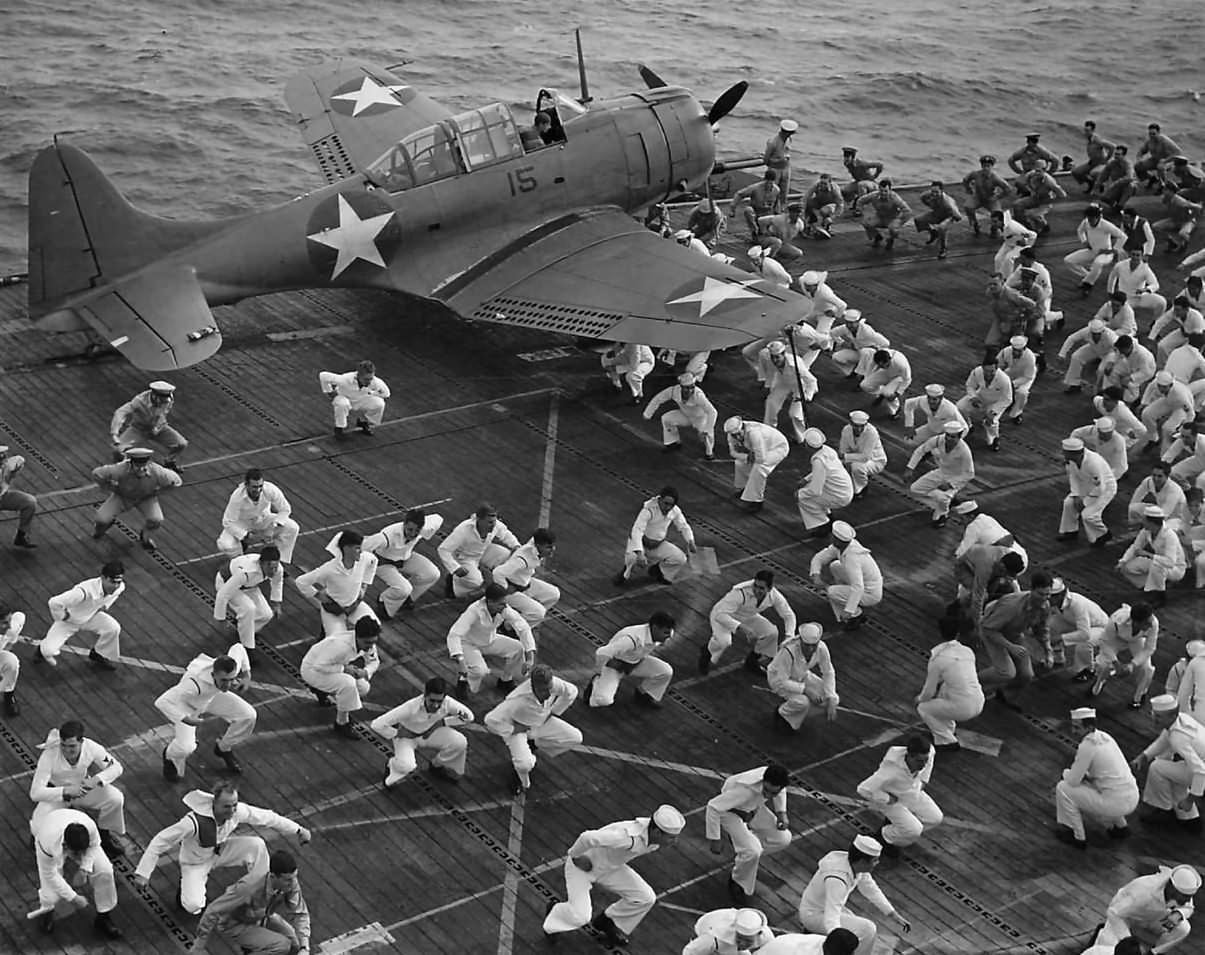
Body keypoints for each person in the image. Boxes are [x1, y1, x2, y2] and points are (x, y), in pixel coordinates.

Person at [134, 780, 310, 915]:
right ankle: (185, 888)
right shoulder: (193, 823)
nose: (232, 810)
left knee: (257, 845)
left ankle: (257, 891)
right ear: (214, 804)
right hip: (195, 863)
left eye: (234, 804)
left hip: (221, 851)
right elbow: (160, 840)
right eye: (227, 806)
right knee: (194, 906)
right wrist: (143, 873)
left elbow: (268, 817)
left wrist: (298, 829)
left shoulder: (237, 811)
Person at [543, 804, 685, 947]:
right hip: (582, 868)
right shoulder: (626, 837)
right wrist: (576, 856)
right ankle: (555, 913)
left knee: (646, 898)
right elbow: (587, 837)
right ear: (657, 832)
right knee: (581, 917)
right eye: (671, 838)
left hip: (609, 868)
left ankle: (607, 922)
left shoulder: (651, 836)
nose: (675, 841)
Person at [797, 835, 910, 955]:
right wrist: (837, 943)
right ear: (862, 861)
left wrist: (893, 914)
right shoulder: (837, 880)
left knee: (857, 926)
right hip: (814, 915)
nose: (878, 863)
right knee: (867, 930)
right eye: (875, 860)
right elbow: (832, 915)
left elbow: (870, 889)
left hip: (824, 909)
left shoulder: (853, 865)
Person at [30, 720, 128, 859]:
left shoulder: (91, 747)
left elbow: (116, 767)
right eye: (63, 746)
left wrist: (95, 780)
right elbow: (35, 793)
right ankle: (37, 840)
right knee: (39, 825)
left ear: (81, 742)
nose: (66, 750)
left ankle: (104, 836)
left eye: (72, 746)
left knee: (115, 798)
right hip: (57, 794)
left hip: (83, 789)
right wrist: (66, 791)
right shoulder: (49, 755)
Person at [156, 645, 256, 778]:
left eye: (232, 679)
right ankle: (170, 755)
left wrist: (247, 675)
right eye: (224, 681)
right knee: (186, 747)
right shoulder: (192, 685)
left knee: (248, 716)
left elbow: (238, 648)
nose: (228, 685)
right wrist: (185, 719)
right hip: (187, 706)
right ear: (213, 674)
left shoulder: (232, 666)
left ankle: (223, 748)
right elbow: (162, 701)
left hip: (211, 697)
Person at [484, 663, 582, 794]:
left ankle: (534, 744)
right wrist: (512, 730)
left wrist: (554, 712)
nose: (548, 694)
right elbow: (490, 719)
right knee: (524, 764)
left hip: (541, 723)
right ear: (533, 686)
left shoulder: (554, 684)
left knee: (575, 737)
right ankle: (522, 779)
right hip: (519, 729)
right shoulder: (517, 701)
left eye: (550, 688)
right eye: (543, 690)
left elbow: (572, 691)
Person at [190, 849, 310, 955]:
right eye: (288, 880)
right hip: (234, 924)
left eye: (295, 877)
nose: (293, 883)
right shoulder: (248, 887)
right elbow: (213, 910)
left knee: (297, 944)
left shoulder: (290, 884)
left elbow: (299, 913)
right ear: (273, 877)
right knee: (281, 945)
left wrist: (305, 947)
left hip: (261, 916)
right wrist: (199, 945)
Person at [1053, 706, 1139, 848]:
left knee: (1063, 788)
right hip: (1132, 796)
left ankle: (1078, 837)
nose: (1073, 731)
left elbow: (1073, 781)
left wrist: (1065, 773)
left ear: (1089, 727)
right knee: (1106, 785)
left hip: (1115, 804)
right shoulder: (1106, 738)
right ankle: (1121, 827)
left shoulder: (1088, 746)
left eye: (1077, 727)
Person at [706, 764, 792, 905]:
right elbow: (713, 807)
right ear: (763, 781)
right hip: (729, 812)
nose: (768, 796)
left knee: (783, 838)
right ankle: (738, 882)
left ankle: (744, 855)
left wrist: (782, 813)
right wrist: (714, 838)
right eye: (766, 790)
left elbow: (781, 791)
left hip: (753, 808)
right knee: (753, 851)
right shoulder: (745, 791)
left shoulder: (772, 779)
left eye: (773, 793)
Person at [32, 807, 122, 939]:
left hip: (75, 838)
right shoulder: (46, 841)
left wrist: (84, 869)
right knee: (51, 892)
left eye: (81, 852)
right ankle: (47, 910)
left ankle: (104, 917)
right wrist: (74, 898)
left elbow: (94, 845)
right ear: (66, 846)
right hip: (50, 835)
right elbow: (50, 874)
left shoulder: (89, 825)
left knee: (105, 871)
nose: (79, 856)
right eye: (77, 854)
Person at [370, 675, 475, 787]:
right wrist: (397, 733)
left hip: (429, 733)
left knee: (459, 742)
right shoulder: (409, 707)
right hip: (407, 737)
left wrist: (442, 723)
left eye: (439, 701)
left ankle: (437, 766)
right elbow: (377, 724)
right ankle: (392, 765)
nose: (436, 705)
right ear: (425, 695)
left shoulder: (448, 703)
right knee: (407, 766)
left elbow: (468, 717)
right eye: (432, 700)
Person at [977, 575, 1053, 710]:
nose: (1044, 599)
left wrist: (1048, 652)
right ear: (1031, 590)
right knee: (1006, 672)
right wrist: (1010, 647)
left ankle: (1005, 693)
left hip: (1014, 634)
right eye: (1041, 594)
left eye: (1047, 595)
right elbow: (988, 628)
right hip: (993, 632)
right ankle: (970, 681)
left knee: (1026, 675)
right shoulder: (1011, 606)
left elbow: (1041, 629)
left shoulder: (1044, 606)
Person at [446, 583, 534, 698]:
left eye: (505, 603)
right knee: (480, 671)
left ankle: (505, 680)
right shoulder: (473, 611)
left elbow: (523, 628)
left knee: (518, 648)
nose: (504, 606)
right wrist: (461, 661)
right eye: (500, 603)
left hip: (489, 640)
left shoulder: (504, 609)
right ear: (490, 602)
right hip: (468, 644)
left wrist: (529, 658)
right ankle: (463, 679)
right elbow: (454, 634)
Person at [857, 737, 942, 856]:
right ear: (910, 756)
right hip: (893, 800)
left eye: (925, 760)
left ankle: (898, 831)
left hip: (913, 792)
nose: (923, 765)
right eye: (919, 761)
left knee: (935, 818)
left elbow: (931, 755)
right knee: (913, 830)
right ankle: (883, 837)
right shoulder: (890, 771)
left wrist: (923, 780)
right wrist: (886, 798)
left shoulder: (928, 753)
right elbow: (864, 789)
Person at [298, 617, 382, 737]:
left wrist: (365, 672)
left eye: (373, 642)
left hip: (331, 666)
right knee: (347, 684)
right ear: (357, 636)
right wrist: (344, 669)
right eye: (367, 643)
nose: (370, 647)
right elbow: (318, 665)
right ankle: (342, 723)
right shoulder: (340, 645)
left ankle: (321, 690)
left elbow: (374, 662)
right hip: (311, 670)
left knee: (363, 688)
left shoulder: (367, 643)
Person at [702, 570, 797, 675]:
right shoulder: (739, 593)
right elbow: (720, 615)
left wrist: (789, 636)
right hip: (724, 615)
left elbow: (789, 615)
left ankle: (752, 661)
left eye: (761, 588)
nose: (756, 590)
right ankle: (707, 651)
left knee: (771, 633)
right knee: (724, 642)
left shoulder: (775, 596)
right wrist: (742, 628)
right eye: (755, 586)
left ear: (770, 589)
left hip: (746, 616)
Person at [1092, 861, 1199, 954]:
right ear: (1172, 888)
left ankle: (1155, 952)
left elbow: (1189, 907)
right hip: (1125, 918)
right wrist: (1128, 940)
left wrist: (1179, 913)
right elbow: (1113, 912)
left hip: (1152, 920)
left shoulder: (1182, 893)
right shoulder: (1143, 891)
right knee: (1109, 947)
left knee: (1183, 928)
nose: (1187, 901)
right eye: (1185, 897)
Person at [1132, 694, 1205, 828]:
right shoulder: (1182, 719)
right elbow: (1165, 738)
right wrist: (1144, 755)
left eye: (1158, 716)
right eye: (1154, 714)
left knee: (1157, 767)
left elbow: (1201, 771)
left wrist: (1190, 800)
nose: (1154, 719)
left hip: (1202, 772)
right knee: (1173, 774)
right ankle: (1189, 819)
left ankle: (1164, 809)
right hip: (1198, 767)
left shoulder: (1179, 738)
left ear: (1171, 716)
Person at [36, 561, 125, 669]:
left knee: (113, 628)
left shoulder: (120, 588)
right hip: (69, 622)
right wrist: (63, 616)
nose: (115, 586)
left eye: (118, 582)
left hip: (90, 617)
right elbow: (54, 602)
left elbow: (112, 597)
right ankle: (41, 650)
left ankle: (99, 653)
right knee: (48, 651)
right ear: (103, 577)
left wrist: (103, 607)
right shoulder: (83, 592)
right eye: (112, 582)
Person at [90, 446, 182, 550]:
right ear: (131, 462)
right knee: (101, 519)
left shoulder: (157, 471)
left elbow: (176, 481)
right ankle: (100, 531)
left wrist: (158, 492)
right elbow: (97, 473)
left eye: (143, 464)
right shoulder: (120, 469)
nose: (140, 468)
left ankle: (145, 537)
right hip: (123, 497)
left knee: (156, 519)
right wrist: (111, 488)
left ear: (148, 462)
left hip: (145, 498)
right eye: (137, 465)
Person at [916, 616, 984, 750]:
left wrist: (918, 699)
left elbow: (928, 693)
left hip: (963, 709)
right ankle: (948, 727)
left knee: (923, 708)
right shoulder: (967, 651)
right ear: (958, 633)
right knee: (946, 686)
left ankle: (946, 740)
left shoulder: (937, 659)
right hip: (979, 701)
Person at [295, 530, 379, 636]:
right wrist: (317, 595)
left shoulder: (364, 558)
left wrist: (364, 585)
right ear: (346, 548)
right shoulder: (329, 568)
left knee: (375, 626)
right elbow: (301, 581)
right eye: (357, 548)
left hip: (355, 605)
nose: (361, 551)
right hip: (334, 611)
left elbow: (374, 561)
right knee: (336, 639)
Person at [362, 507, 444, 617]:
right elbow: (364, 548)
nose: (413, 534)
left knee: (433, 574)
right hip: (383, 563)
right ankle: (384, 602)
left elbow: (438, 518)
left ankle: (406, 600)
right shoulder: (387, 535)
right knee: (404, 588)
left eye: (417, 531)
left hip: (405, 558)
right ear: (404, 524)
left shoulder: (426, 526)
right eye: (410, 529)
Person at [588, 611, 676, 709]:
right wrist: (606, 666)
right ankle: (595, 682)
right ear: (655, 628)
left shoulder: (663, 633)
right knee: (604, 700)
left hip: (636, 662)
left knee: (665, 671)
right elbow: (602, 652)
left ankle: (644, 694)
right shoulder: (631, 639)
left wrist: (632, 664)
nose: (668, 636)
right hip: (615, 666)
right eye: (665, 633)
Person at [216, 468, 299, 566]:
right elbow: (227, 522)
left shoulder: (270, 489)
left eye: (260, 486)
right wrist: (246, 536)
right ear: (246, 485)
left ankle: (278, 562)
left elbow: (285, 509)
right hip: (242, 524)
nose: (258, 490)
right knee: (226, 544)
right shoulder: (237, 497)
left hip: (263, 520)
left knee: (293, 528)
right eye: (254, 487)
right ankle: (241, 563)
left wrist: (273, 526)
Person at [437, 503, 520, 599]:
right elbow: (443, 549)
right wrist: (455, 568)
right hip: (464, 557)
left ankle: (495, 584)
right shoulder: (463, 530)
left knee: (507, 557)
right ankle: (452, 583)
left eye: (494, 521)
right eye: (489, 522)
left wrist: (516, 545)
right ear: (479, 520)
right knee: (476, 582)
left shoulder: (495, 524)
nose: (493, 525)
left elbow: (506, 534)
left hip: (483, 550)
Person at [809, 522, 883, 629]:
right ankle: (843, 597)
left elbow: (858, 587)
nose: (830, 537)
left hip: (870, 594)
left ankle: (855, 616)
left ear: (838, 540)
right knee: (835, 566)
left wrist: (849, 611)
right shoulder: (842, 546)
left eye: (833, 537)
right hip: (865, 585)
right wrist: (816, 576)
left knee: (831, 592)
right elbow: (819, 558)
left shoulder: (852, 558)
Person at [768, 622, 838, 733]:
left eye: (813, 645)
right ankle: (782, 713)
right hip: (777, 680)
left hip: (801, 676)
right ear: (800, 640)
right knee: (803, 702)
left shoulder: (822, 648)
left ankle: (793, 709)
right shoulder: (788, 651)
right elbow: (783, 681)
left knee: (831, 699)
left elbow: (828, 672)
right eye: (806, 645)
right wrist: (806, 690)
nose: (810, 649)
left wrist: (831, 698)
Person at [905, 420, 975, 528]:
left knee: (943, 498)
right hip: (941, 471)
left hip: (956, 476)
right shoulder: (938, 440)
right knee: (915, 489)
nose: (948, 439)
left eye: (953, 437)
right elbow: (920, 450)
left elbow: (969, 474)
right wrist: (910, 468)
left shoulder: (964, 451)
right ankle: (950, 500)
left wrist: (950, 484)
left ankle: (943, 514)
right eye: (947, 435)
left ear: (959, 437)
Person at [214, 545, 283, 654]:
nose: (274, 571)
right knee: (248, 609)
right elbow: (223, 594)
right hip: (226, 582)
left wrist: (276, 604)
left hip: (249, 586)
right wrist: (221, 618)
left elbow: (277, 582)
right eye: (270, 568)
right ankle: (247, 648)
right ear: (262, 563)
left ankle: (244, 630)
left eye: (275, 567)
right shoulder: (246, 572)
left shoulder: (278, 568)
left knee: (266, 614)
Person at [1091, 602, 1158, 707]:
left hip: (1136, 640)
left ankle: (1139, 697)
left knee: (1147, 668)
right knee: (1103, 664)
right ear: (1135, 622)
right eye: (1146, 623)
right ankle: (1100, 681)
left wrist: (1132, 664)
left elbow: (1149, 648)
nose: (1150, 625)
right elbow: (1104, 642)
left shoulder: (1153, 623)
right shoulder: (1115, 620)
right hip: (1116, 639)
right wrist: (1115, 663)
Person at [110, 379, 187, 470]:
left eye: (165, 400)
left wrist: (157, 427)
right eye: (162, 400)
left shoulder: (168, 399)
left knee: (181, 444)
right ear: (154, 395)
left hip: (160, 427)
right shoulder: (139, 401)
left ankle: (169, 461)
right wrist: (115, 433)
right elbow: (120, 413)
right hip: (138, 429)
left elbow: (162, 413)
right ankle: (118, 471)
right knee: (118, 451)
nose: (164, 402)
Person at [1117, 506, 1186, 604]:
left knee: (1157, 566)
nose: (1142, 521)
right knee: (1127, 568)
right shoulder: (1146, 531)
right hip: (1158, 563)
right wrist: (1123, 561)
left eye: (1144, 520)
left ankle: (1160, 597)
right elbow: (1135, 546)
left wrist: (1149, 555)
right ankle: (1148, 588)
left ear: (1151, 522)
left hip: (1175, 568)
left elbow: (1170, 562)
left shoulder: (1170, 536)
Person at [1057, 436, 1117, 546]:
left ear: (1075, 453)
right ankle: (1070, 531)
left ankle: (1103, 534)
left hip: (1105, 489)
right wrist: (1076, 495)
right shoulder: (1071, 461)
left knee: (1088, 515)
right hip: (1086, 485)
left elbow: (1100, 488)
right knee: (1068, 503)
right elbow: (1073, 477)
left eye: (1065, 452)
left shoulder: (1093, 463)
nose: (1063, 454)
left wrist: (1085, 502)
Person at [644, 372, 718, 459]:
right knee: (666, 418)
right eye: (687, 388)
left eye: (692, 387)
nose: (690, 391)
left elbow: (712, 412)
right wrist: (648, 413)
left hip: (700, 419)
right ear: (681, 387)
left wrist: (707, 429)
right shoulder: (673, 391)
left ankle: (709, 453)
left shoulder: (698, 395)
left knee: (705, 435)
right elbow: (658, 398)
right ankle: (673, 442)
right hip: (685, 415)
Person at [724, 417, 790, 513]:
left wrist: (750, 456)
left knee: (760, 468)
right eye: (735, 435)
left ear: (742, 428)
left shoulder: (754, 433)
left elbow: (761, 458)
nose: (737, 438)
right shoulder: (731, 435)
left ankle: (756, 500)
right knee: (739, 463)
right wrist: (746, 457)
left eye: (738, 434)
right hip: (758, 450)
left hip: (777, 448)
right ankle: (745, 488)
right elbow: (733, 453)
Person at [796, 429, 853, 538]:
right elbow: (823, 471)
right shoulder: (827, 450)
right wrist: (806, 479)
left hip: (839, 496)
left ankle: (823, 523)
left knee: (803, 498)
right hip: (844, 489)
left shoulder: (818, 460)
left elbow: (815, 490)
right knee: (809, 489)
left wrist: (799, 494)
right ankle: (829, 516)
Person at [1046, 577, 1108, 677]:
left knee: (1084, 642)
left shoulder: (1077, 604)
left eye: (1050, 596)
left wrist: (1060, 638)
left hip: (1100, 628)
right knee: (1050, 626)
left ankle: (1087, 669)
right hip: (1074, 622)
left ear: (1061, 595)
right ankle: (1057, 657)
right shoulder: (1054, 603)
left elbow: (1084, 634)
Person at [319, 359, 390, 438]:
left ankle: (364, 421)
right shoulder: (344, 379)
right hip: (343, 397)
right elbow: (323, 376)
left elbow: (386, 393)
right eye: (366, 379)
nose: (369, 382)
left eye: (371, 378)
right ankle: (339, 427)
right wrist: (329, 392)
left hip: (361, 399)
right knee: (342, 404)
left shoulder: (376, 382)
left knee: (379, 404)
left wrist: (372, 393)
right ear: (358, 376)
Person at [1065, 203, 1125, 294]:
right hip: (1092, 250)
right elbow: (1080, 231)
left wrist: (1114, 249)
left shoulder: (1106, 225)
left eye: (1092, 219)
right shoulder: (1086, 222)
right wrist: (1084, 241)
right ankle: (1088, 276)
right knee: (1068, 260)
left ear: (1098, 217)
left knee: (1098, 263)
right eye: (1088, 218)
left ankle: (1088, 285)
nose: (1090, 221)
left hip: (1105, 253)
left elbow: (1122, 236)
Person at [957, 353, 1013, 451]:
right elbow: (970, 385)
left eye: (992, 371)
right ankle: (967, 426)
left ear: (996, 369)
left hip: (996, 403)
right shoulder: (976, 372)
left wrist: (993, 412)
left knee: (990, 422)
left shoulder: (1004, 380)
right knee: (960, 407)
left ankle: (994, 439)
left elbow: (1007, 399)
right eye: (986, 371)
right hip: (980, 397)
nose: (988, 374)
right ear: (982, 368)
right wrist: (973, 397)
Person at [763, 341, 816, 443]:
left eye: (777, 357)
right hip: (782, 382)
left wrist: (807, 396)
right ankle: (769, 431)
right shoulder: (769, 360)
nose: (775, 360)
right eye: (773, 357)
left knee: (794, 414)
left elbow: (811, 380)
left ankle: (802, 437)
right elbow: (770, 374)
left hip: (798, 384)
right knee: (771, 402)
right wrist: (770, 387)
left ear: (783, 354)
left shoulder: (795, 363)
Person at [1139, 371, 1195, 456]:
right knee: (1146, 414)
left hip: (1180, 408)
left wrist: (1185, 428)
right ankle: (1154, 439)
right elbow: (1150, 388)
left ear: (1171, 385)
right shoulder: (1157, 382)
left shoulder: (1181, 395)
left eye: (1164, 387)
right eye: (1159, 386)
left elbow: (1191, 413)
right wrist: (1144, 403)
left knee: (1167, 429)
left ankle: (1165, 457)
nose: (1161, 389)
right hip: (1168, 401)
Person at [1107, 247, 1167, 322]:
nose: (1135, 257)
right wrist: (1110, 291)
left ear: (1142, 256)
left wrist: (1145, 289)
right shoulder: (1120, 265)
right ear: (1129, 254)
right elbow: (1112, 276)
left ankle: (1155, 323)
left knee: (1161, 302)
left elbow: (1155, 285)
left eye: (1138, 255)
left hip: (1141, 297)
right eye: (1133, 254)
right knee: (1120, 315)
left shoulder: (1145, 268)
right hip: (1125, 298)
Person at [682, 907, 775, 954]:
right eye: (739, 938)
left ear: (760, 934)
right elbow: (689, 951)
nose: (742, 944)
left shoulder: (768, 939)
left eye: (747, 940)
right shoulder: (714, 938)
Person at [837, 410, 886, 500]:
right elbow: (843, 449)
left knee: (857, 467)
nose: (859, 429)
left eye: (862, 426)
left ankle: (861, 488)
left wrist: (845, 457)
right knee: (837, 464)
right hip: (856, 457)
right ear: (851, 423)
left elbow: (865, 457)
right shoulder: (846, 430)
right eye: (856, 426)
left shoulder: (872, 433)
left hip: (875, 461)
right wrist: (843, 460)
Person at [1060, 319, 1118, 394]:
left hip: (1109, 352)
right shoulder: (1086, 331)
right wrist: (1062, 354)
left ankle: (1102, 391)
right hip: (1094, 348)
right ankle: (1074, 384)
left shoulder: (1111, 336)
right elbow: (1071, 338)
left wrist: (1113, 363)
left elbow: (1118, 350)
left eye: (1098, 334)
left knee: (1101, 370)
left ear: (1103, 331)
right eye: (1094, 334)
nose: (1096, 336)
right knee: (1076, 357)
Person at [962, 155, 1012, 236]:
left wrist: (997, 197)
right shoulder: (975, 174)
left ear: (992, 167)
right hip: (978, 197)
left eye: (988, 166)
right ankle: (975, 224)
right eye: (984, 166)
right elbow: (965, 180)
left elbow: (1008, 189)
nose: (986, 168)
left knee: (997, 215)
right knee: (968, 206)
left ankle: (994, 229)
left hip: (990, 199)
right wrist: (968, 189)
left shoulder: (996, 178)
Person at [1012, 160, 1067, 234]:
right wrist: (1025, 190)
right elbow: (1019, 182)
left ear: (1044, 170)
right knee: (1017, 205)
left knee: (1032, 214)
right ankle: (1022, 227)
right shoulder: (1031, 175)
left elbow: (1062, 194)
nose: (1037, 173)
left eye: (1039, 171)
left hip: (1045, 201)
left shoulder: (1049, 181)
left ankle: (1043, 225)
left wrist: (1052, 199)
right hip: (1034, 197)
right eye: (1036, 170)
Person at [1099, 336, 1156, 409]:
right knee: (1111, 372)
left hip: (1143, 372)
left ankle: (1129, 400)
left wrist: (1131, 377)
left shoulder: (1143, 356)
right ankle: (1110, 392)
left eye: (1123, 351)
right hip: (1129, 364)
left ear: (1130, 347)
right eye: (1120, 350)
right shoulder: (1123, 346)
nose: (1121, 352)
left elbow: (1146, 372)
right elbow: (1117, 353)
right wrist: (1112, 362)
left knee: (1130, 387)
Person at [855, 180, 912, 250]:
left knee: (893, 229)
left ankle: (891, 239)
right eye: (881, 191)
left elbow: (908, 211)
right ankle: (877, 237)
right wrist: (859, 209)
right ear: (878, 189)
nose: (883, 193)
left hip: (893, 218)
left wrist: (901, 221)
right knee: (865, 222)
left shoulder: (895, 198)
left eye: (885, 191)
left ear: (890, 190)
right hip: (880, 217)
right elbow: (861, 200)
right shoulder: (874, 195)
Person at [1069, 416, 1128, 483]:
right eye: (1102, 434)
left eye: (1107, 434)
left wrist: (1103, 479)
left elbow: (1121, 467)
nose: (1104, 437)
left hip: (1109, 470)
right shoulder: (1092, 430)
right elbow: (1075, 433)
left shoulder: (1119, 442)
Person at [0, 444, 37, 548]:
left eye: (4, 455)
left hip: (2, 497)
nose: (4, 457)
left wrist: (16, 469)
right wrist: (10, 473)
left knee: (29, 502)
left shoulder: (4, 466)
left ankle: (21, 536)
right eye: (1, 455)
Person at [1128, 462, 1187, 527]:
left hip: (1176, 518)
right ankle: (1135, 529)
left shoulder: (1174, 490)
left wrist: (1145, 520)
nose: (1156, 479)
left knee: (1162, 528)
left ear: (1167, 476)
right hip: (1160, 510)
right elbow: (1135, 499)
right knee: (1133, 508)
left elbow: (1165, 514)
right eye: (1154, 475)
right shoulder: (1148, 481)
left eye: (1160, 476)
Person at [913, 181, 962, 258]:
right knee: (918, 220)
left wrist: (948, 221)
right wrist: (930, 204)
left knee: (942, 228)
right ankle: (933, 233)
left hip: (948, 216)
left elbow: (959, 216)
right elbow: (922, 197)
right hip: (937, 213)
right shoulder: (928, 195)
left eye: (936, 192)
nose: (934, 194)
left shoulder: (948, 202)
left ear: (942, 191)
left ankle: (943, 249)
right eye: (932, 191)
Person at [859, 348, 912, 418]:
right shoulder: (875, 358)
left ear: (889, 359)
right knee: (864, 385)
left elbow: (907, 379)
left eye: (886, 365)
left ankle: (895, 410)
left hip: (898, 377)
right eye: (880, 366)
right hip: (885, 373)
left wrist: (897, 393)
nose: (883, 367)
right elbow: (869, 369)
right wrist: (867, 379)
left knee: (888, 394)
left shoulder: (901, 364)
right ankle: (881, 394)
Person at [996, 336, 1037, 425]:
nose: (1015, 352)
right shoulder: (1005, 351)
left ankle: (1017, 413)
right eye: (1014, 349)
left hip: (1025, 376)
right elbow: (997, 365)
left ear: (1024, 349)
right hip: (1010, 372)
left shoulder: (1030, 358)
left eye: (1018, 351)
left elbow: (1027, 376)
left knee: (1022, 393)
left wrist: (1012, 384)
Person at [731, 171, 782, 240]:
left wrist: (779, 216)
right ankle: (754, 230)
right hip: (755, 211)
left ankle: (765, 232)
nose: (769, 185)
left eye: (771, 183)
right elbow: (739, 194)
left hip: (767, 214)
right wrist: (733, 208)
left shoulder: (777, 190)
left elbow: (777, 204)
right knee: (748, 210)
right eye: (768, 182)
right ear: (764, 180)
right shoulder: (755, 188)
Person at [1070, 120, 1116, 192]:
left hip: (1102, 164)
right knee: (1076, 172)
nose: (1086, 133)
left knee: (1094, 173)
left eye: (1088, 130)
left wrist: (1107, 159)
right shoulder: (1089, 140)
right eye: (1085, 130)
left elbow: (1112, 147)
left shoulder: (1097, 140)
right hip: (1093, 162)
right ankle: (1091, 183)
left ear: (1093, 130)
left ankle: (1101, 184)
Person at [764, 120, 796, 207]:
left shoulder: (789, 139)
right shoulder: (773, 142)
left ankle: (781, 207)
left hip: (786, 168)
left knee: (784, 191)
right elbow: (766, 159)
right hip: (775, 169)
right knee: (771, 190)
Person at [1163, 420, 1205, 487]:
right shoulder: (1181, 440)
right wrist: (1161, 468)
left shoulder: (1203, 442)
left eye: (1187, 437)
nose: (1184, 439)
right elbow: (1169, 455)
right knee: (1172, 473)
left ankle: (1200, 496)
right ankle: (1187, 489)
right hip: (1199, 459)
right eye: (1182, 436)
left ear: (1195, 436)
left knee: (1201, 481)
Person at [804, 173, 845, 237]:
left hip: (831, 204)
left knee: (824, 211)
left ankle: (827, 226)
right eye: (821, 183)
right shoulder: (816, 185)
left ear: (830, 183)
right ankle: (809, 223)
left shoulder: (835, 189)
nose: (822, 185)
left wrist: (833, 217)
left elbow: (840, 204)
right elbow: (806, 197)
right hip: (820, 202)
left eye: (825, 184)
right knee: (809, 202)